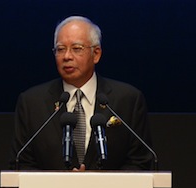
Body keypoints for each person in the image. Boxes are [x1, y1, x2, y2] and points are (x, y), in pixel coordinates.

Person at [11, 16, 154, 171]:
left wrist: (98, 185)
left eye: (76, 48)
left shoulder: (127, 99)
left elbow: (140, 162)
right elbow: (21, 164)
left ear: (96, 54)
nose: (67, 56)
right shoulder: (32, 102)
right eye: (60, 49)